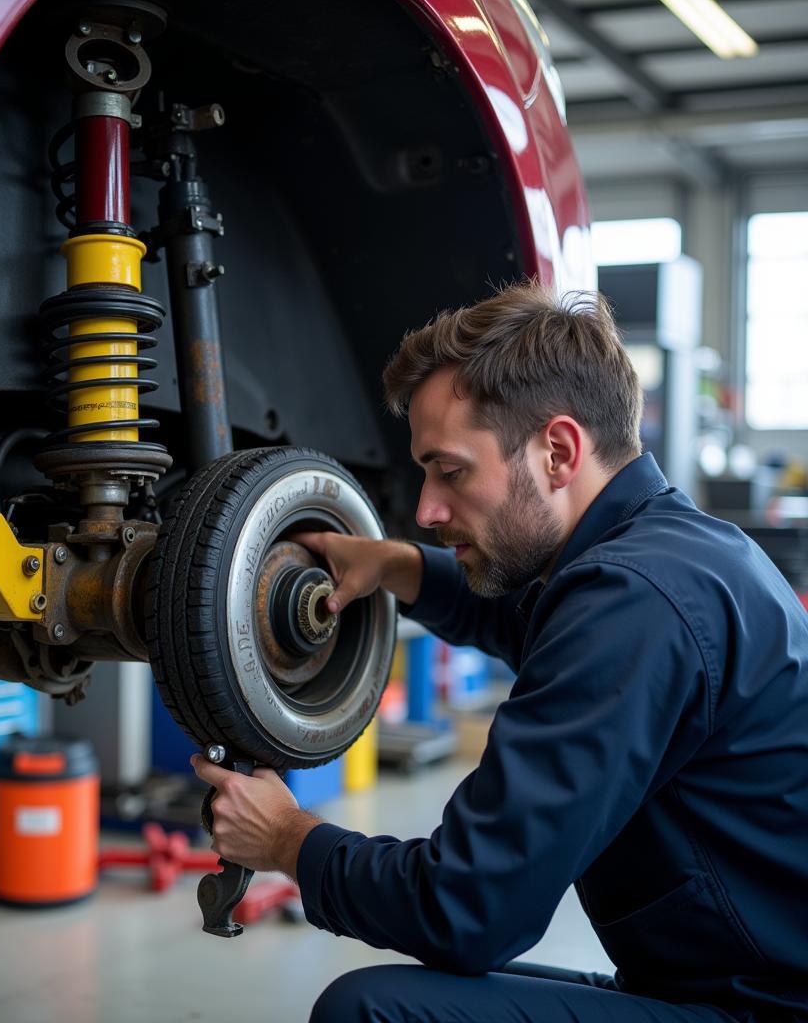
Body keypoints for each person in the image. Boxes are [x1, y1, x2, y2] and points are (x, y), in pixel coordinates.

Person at [191, 282, 808, 1023]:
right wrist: (400, 566)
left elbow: (469, 910)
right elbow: (527, 621)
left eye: (449, 471)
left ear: (557, 450)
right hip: (725, 981)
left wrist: (291, 840)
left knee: (373, 1011)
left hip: (759, 1009)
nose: (426, 509)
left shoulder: (633, 602)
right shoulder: (670, 552)